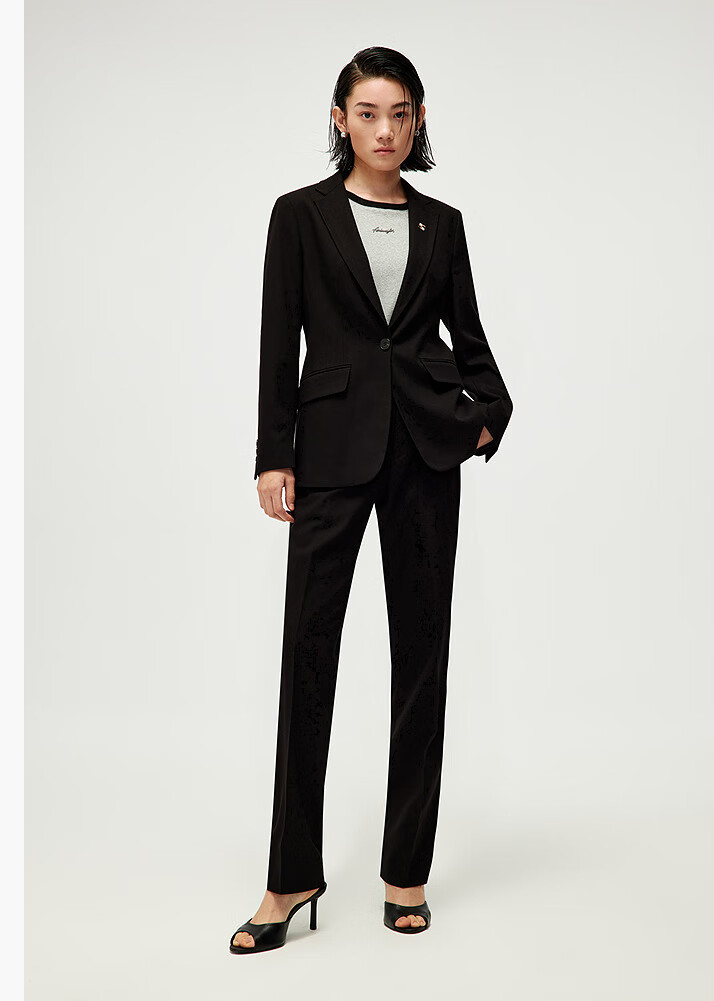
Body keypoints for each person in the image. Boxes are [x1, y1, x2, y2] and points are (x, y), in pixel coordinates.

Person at [230, 45, 513, 954]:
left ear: (418, 120)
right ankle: (290, 876)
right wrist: (274, 454)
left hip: (425, 454)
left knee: (422, 659)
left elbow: (470, 342)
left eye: (400, 114)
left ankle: (405, 872)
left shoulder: (443, 224)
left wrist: (484, 418)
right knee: (306, 656)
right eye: (367, 113)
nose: (384, 130)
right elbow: (278, 339)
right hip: (329, 455)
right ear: (340, 119)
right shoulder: (300, 215)